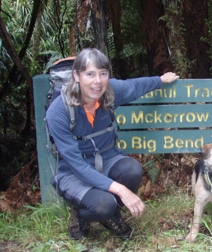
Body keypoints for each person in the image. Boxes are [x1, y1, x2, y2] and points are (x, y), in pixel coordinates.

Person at [46, 48, 179, 240]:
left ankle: (111, 215)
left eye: (103, 74)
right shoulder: (58, 112)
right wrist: (120, 189)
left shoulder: (109, 92)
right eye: (90, 74)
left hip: (107, 159)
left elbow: (135, 86)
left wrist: (160, 80)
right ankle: (82, 213)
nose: (97, 81)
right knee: (104, 205)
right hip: (74, 172)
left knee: (131, 169)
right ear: (76, 75)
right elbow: (76, 165)